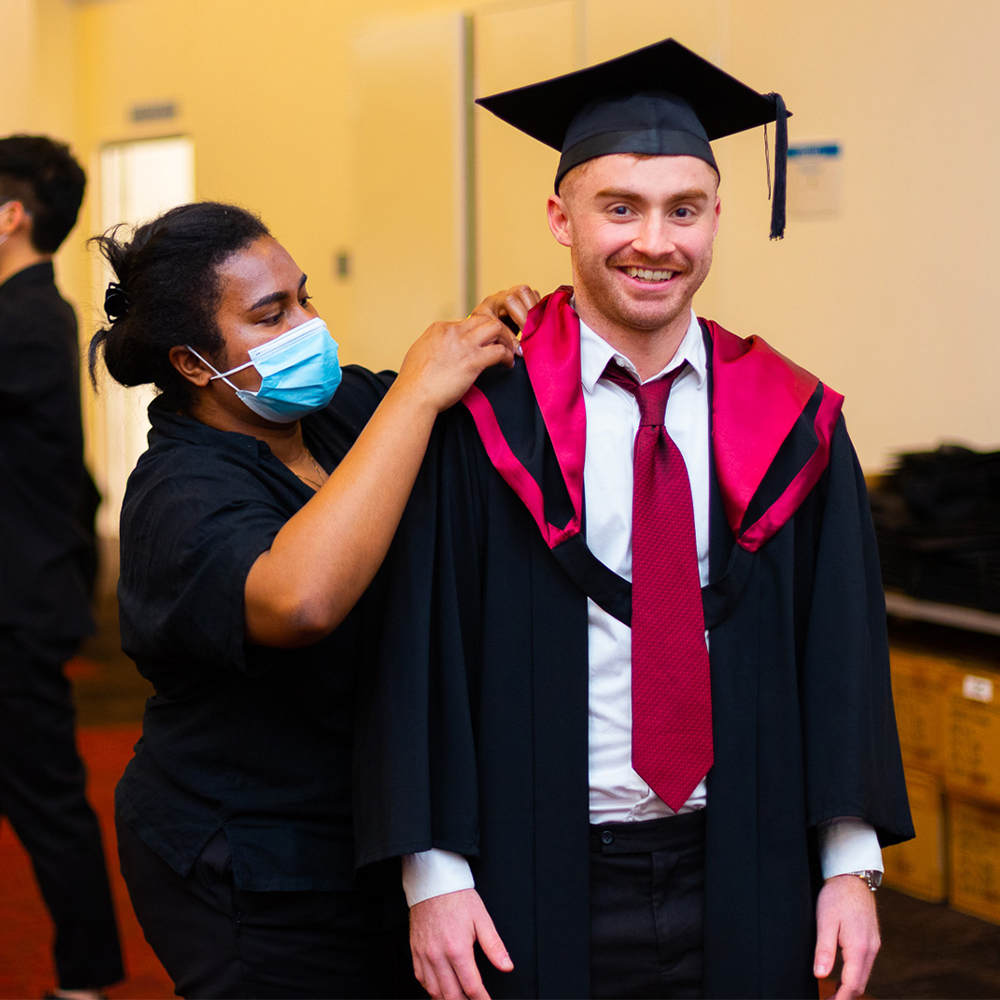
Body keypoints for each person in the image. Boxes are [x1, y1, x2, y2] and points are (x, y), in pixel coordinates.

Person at [354, 39, 914, 1000]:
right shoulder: (485, 419)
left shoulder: (792, 416)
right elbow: (419, 650)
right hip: (524, 868)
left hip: (751, 859)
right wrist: (433, 878)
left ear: (715, 220)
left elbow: (842, 656)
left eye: (682, 210)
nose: (654, 241)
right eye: (620, 207)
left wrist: (849, 868)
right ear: (559, 217)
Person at [88, 200, 537, 999]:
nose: (307, 325)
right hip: (245, 862)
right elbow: (301, 600)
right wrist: (414, 396)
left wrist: (504, 330)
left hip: (364, 835)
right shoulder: (176, 494)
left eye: (304, 298)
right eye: (272, 314)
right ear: (194, 364)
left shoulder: (336, 416)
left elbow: (465, 413)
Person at [0, 134, 124, 1000]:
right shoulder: (31, 313)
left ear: (10, 216)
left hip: (14, 607)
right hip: (25, 587)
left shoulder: (26, 316)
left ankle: (85, 980)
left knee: (47, 803)